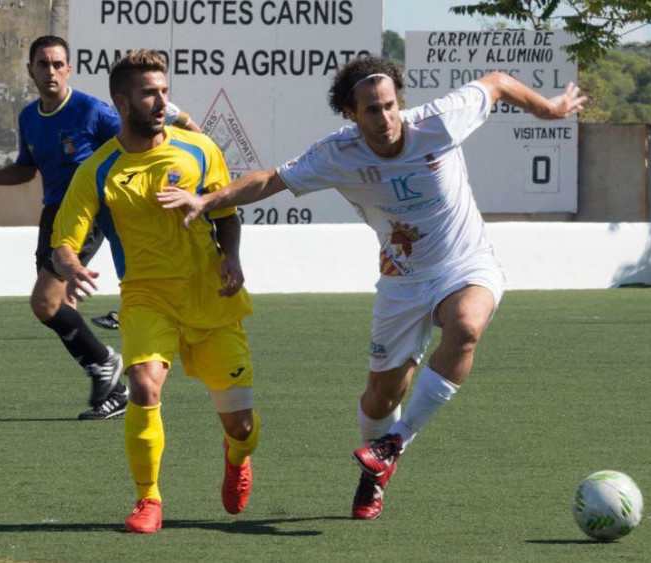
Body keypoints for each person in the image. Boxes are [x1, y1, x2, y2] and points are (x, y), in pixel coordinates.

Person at [158, 56, 587, 519]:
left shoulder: (439, 122)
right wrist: (205, 199)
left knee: (465, 325)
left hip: (467, 264)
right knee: (381, 399)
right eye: (371, 110)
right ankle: (373, 474)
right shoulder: (337, 154)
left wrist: (547, 108)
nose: (384, 119)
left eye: (389, 106)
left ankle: (394, 444)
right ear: (350, 113)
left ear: (399, 101)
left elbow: (498, 82)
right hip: (402, 282)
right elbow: (269, 181)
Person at [52, 50, 259, 534]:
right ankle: (148, 500)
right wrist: (72, 264)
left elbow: (225, 212)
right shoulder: (98, 169)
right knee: (143, 385)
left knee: (242, 427)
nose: (161, 100)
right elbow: (64, 240)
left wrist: (232, 257)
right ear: (121, 102)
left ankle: (236, 458)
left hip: (211, 295)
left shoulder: (199, 149)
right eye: (149, 93)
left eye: (164, 91)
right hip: (146, 296)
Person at [0, 36, 199, 420]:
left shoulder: (92, 111)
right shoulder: (29, 117)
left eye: (58, 64)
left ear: (69, 69)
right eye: (43, 64)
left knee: (45, 301)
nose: (50, 71)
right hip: (53, 213)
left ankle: (105, 364)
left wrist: (189, 129)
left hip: (88, 213)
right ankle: (115, 390)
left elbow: (143, 126)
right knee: (57, 306)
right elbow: (25, 170)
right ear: (30, 71)